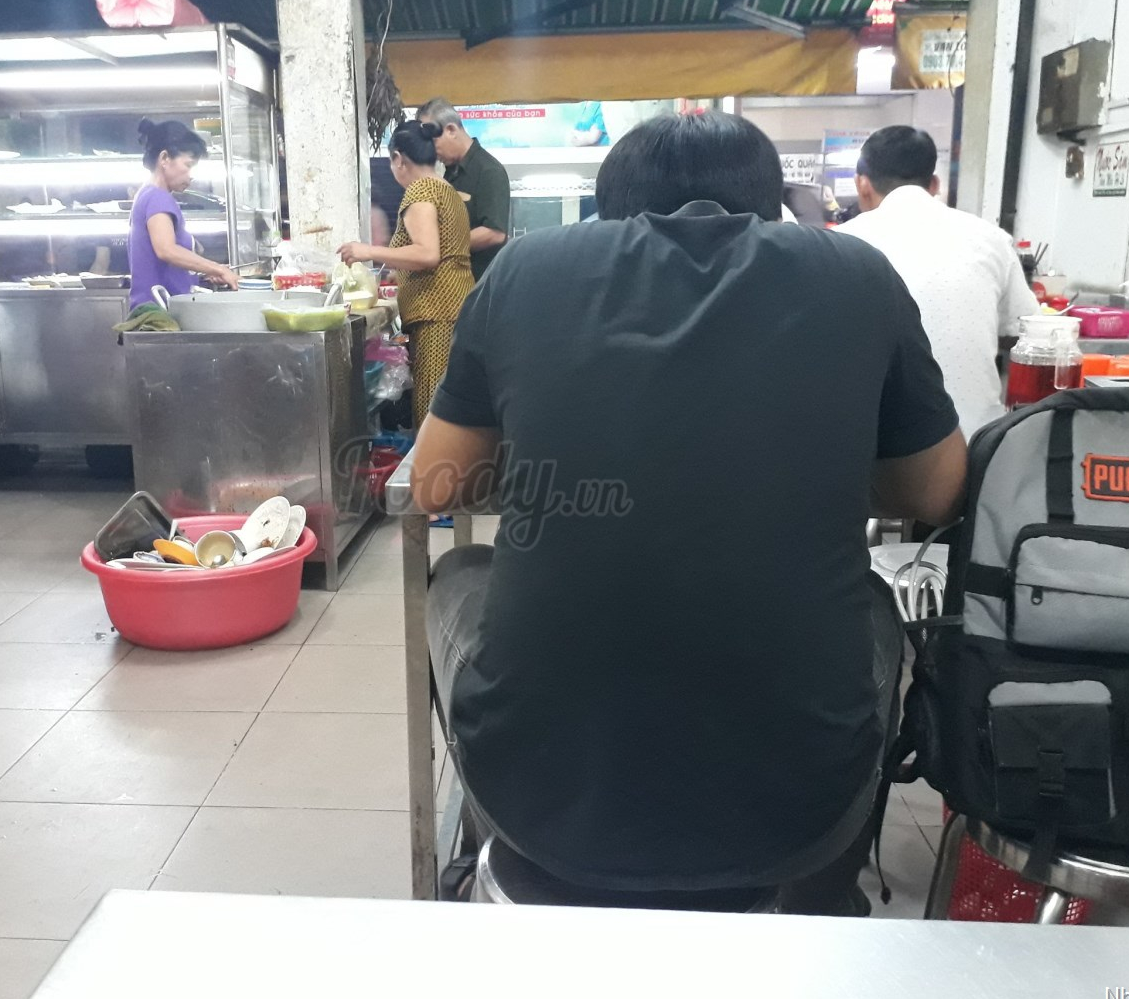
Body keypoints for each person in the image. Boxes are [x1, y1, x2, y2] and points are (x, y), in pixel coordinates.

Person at [411, 112, 966, 912]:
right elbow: (934, 491)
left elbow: (436, 483)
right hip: (797, 805)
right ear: (769, 207)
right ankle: (826, 889)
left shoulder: (528, 270)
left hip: (538, 791)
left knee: (459, 570)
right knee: (873, 604)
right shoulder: (856, 272)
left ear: (609, 211)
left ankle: (477, 836)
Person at [838, 125, 1038, 440]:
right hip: (982, 445)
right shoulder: (991, 239)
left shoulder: (839, 244)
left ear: (862, 185)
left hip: (878, 452)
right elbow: (1029, 334)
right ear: (934, 184)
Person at [339, 120, 473, 427]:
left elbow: (427, 253)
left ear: (399, 158)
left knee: (432, 412)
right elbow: (441, 253)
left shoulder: (422, 189)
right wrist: (398, 274)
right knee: (449, 409)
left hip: (438, 315)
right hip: (454, 308)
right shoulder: (446, 189)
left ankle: (433, 461)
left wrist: (368, 251)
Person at [128, 119, 239, 308]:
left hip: (156, 308)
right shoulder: (157, 197)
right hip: (160, 311)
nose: (191, 174)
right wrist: (218, 269)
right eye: (188, 165)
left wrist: (205, 270)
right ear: (164, 158)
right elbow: (167, 250)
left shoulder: (146, 194)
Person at [416, 98, 511, 280]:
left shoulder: (488, 171)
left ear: (451, 130)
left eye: (433, 143)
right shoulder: (450, 174)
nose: (432, 152)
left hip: (481, 285)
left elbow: (495, 233)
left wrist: (440, 247)